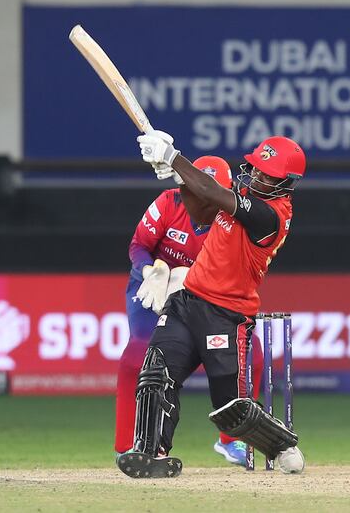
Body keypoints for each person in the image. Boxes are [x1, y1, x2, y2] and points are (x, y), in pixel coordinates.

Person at [116, 130, 306, 478]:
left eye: (268, 176)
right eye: (256, 170)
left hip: (227, 314)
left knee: (230, 411)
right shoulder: (243, 192)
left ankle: (281, 443)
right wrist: (176, 177)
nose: (258, 177)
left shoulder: (271, 216)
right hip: (187, 300)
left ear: (286, 184)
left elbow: (211, 192)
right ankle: (148, 453)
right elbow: (200, 204)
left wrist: (174, 157)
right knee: (156, 373)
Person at [115, 155, 264, 468]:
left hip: (201, 292)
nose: (202, 200)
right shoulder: (168, 202)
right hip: (153, 284)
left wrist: (187, 277)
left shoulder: (233, 220)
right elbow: (138, 245)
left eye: (209, 192)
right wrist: (149, 271)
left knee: (254, 355)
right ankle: (128, 445)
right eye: (195, 191)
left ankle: (231, 440)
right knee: (137, 354)